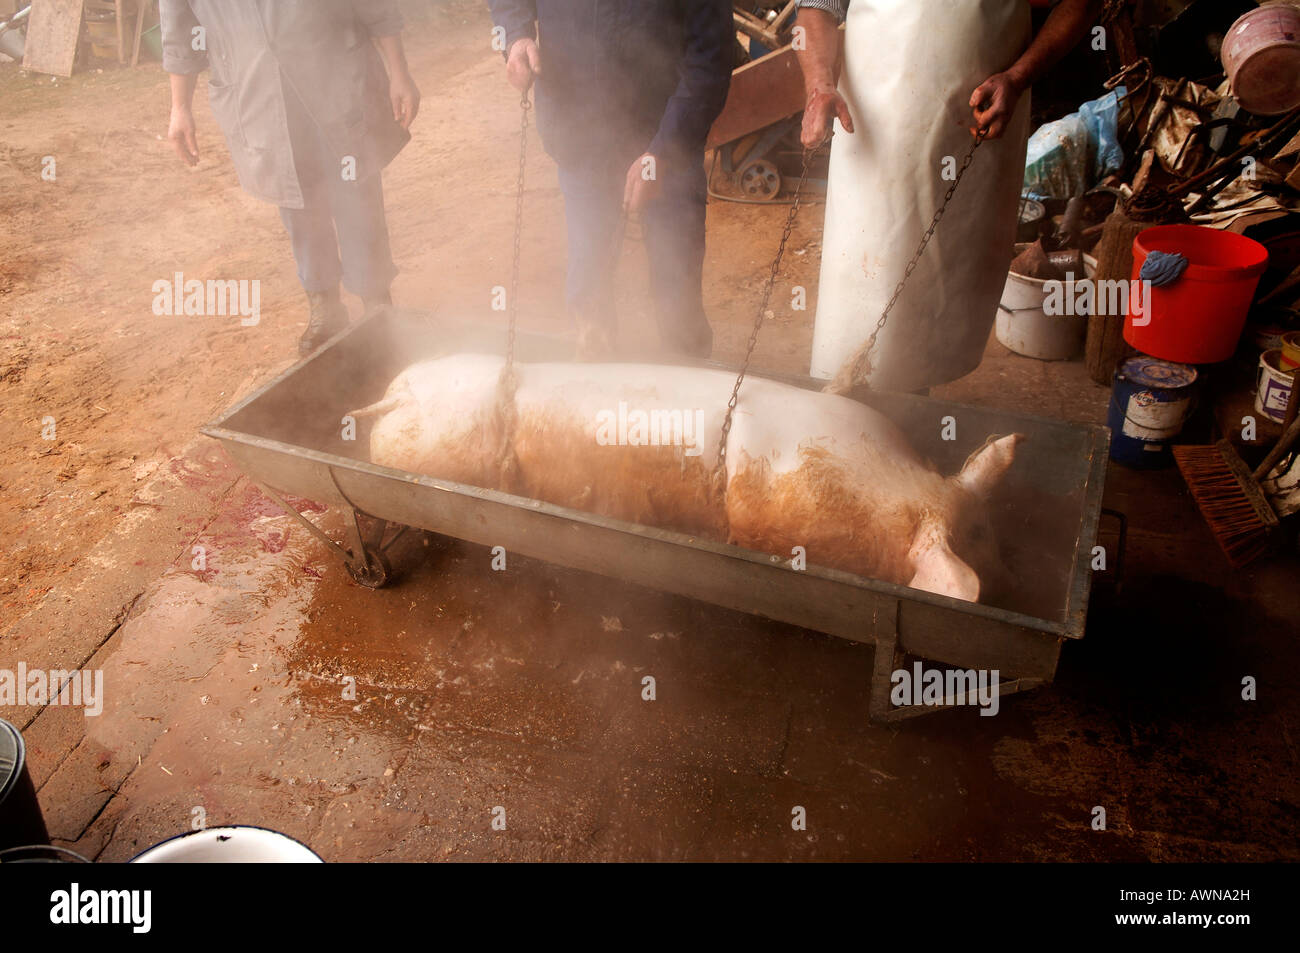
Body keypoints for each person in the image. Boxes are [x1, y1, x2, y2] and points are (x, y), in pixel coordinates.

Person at [795, 0, 1100, 392]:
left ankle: (909, 409)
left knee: (929, 301)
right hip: (875, 124)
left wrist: (1019, 77)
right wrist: (820, 84)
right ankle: (853, 408)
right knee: (862, 287)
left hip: (972, 125)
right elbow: (815, 7)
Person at [161, 1, 420, 356]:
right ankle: (324, 308)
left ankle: (377, 303)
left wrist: (399, 71)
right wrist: (180, 106)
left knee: (357, 194)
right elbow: (179, 30)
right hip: (258, 90)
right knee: (297, 204)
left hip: (336, 75)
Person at [486, 1, 732, 359]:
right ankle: (595, 370)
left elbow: (710, 59)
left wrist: (664, 151)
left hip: (665, 138)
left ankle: (687, 385)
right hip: (579, 138)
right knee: (589, 285)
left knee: (676, 287)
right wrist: (516, 35)